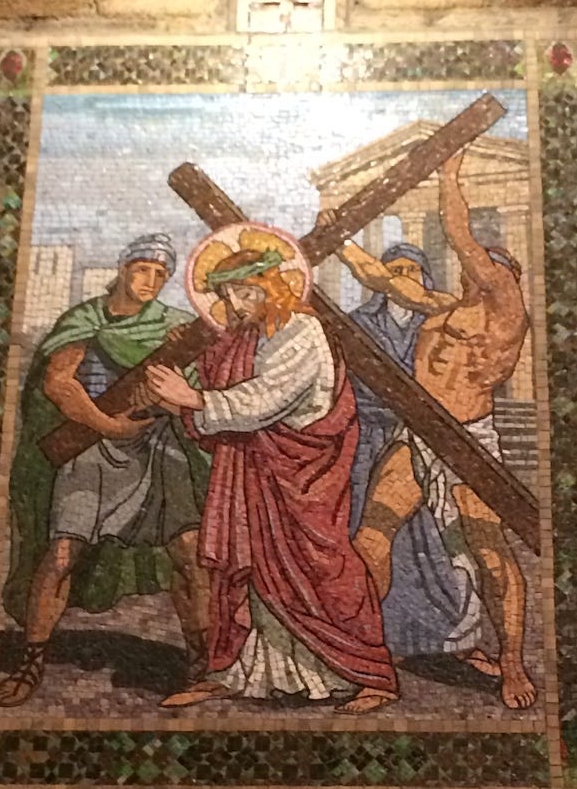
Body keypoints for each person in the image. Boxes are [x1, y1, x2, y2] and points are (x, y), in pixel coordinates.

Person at [146, 242, 398, 715]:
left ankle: (366, 673)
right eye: (229, 295)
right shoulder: (250, 334)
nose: (236, 304)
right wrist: (198, 360)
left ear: (273, 287)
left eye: (245, 293)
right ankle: (236, 672)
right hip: (252, 470)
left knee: (322, 568)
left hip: (301, 474)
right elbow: (226, 377)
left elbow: (265, 399)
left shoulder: (303, 331)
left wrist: (194, 399)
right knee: (245, 570)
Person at [336, 150, 536, 710]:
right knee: (370, 540)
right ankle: (371, 664)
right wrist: (335, 241)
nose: (478, 269)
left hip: (470, 443)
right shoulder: (441, 307)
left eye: (491, 266)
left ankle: (512, 663)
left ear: (507, 278)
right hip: (417, 437)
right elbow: (378, 277)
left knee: (490, 552)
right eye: (479, 267)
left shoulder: (506, 316)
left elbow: (460, 234)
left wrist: (448, 176)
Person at [0, 232, 211, 708]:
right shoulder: (86, 319)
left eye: (160, 274)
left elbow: (198, 385)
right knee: (62, 553)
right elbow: (59, 385)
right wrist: (109, 425)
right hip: (93, 444)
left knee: (190, 551)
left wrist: (177, 373)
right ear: (123, 268)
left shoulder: (175, 327)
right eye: (142, 269)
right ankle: (31, 660)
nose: (150, 281)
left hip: (157, 447)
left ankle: (202, 663)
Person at [325, 229, 486, 668]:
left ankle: (440, 635)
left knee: (430, 542)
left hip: (419, 442)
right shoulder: (356, 323)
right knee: (368, 537)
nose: (404, 278)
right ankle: (371, 640)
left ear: (425, 279)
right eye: (395, 270)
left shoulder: (436, 325)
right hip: (366, 443)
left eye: (412, 271)